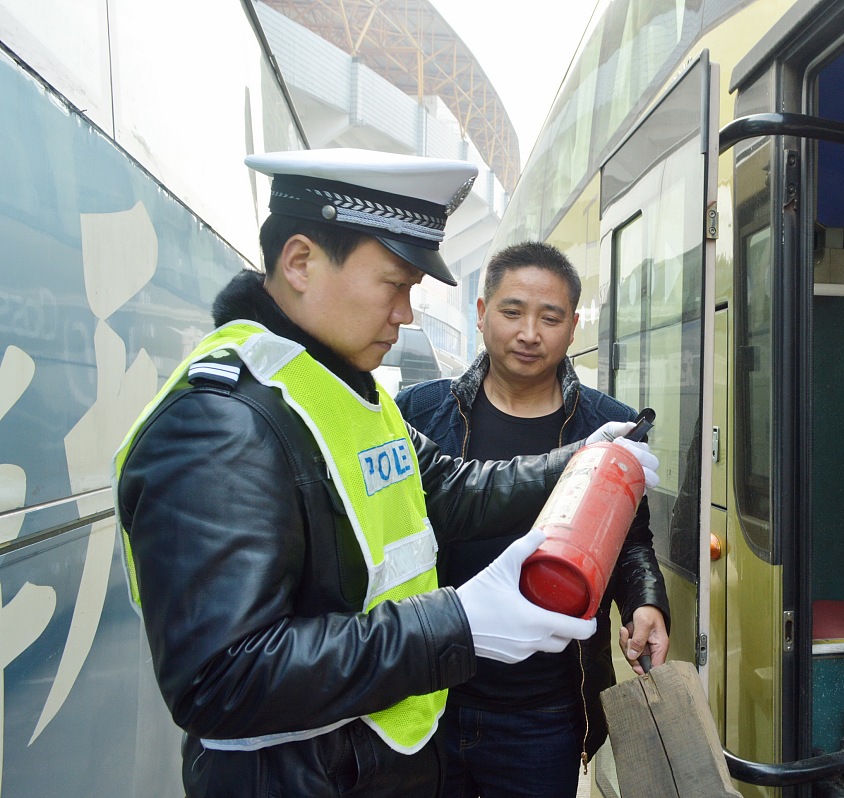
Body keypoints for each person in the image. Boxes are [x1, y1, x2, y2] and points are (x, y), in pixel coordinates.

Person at [112, 149, 659, 798]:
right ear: (301, 262)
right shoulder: (220, 420)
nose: (403, 313)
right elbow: (223, 677)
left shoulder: (343, 392)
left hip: (369, 766)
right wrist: (458, 622)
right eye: (393, 284)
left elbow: (450, 491)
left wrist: (579, 459)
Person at [396, 241, 671, 797]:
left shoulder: (607, 423)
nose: (529, 333)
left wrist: (646, 601)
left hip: (545, 710)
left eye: (549, 318)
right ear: (480, 313)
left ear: (572, 327)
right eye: (512, 311)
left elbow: (630, 541)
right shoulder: (418, 413)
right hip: (430, 695)